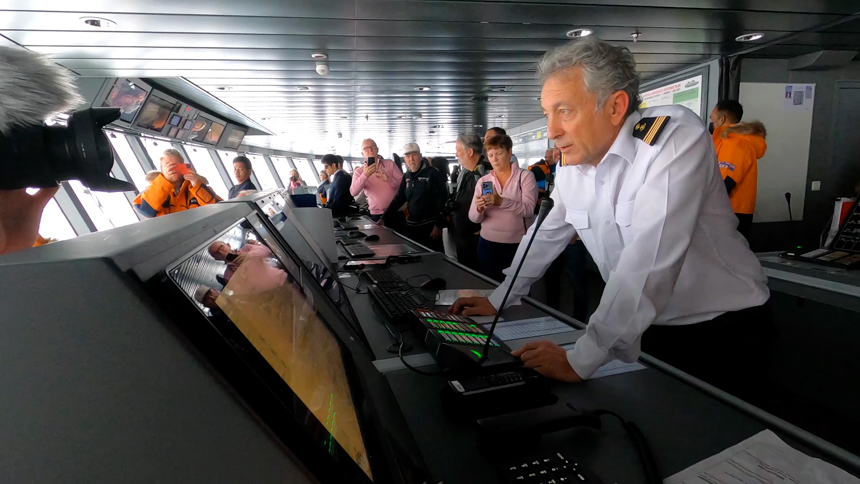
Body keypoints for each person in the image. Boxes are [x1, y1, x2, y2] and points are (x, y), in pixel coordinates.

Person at [449, 38, 770, 401]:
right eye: (547, 113)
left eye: (564, 111)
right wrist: (500, 297)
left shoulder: (672, 140)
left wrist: (581, 359)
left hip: (719, 329)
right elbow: (545, 235)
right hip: (642, 326)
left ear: (616, 106)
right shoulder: (575, 164)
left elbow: (648, 259)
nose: (552, 130)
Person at [469, 134, 538, 282]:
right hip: (488, 244)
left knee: (518, 289)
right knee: (490, 286)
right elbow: (473, 218)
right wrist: (479, 209)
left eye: (499, 153)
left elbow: (528, 209)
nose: (494, 159)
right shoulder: (484, 181)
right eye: (491, 155)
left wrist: (501, 202)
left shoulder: (524, 177)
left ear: (510, 153)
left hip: (517, 244)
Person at [710, 100, 767, 241]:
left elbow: (725, 182)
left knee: (729, 256)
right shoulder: (727, 142)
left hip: (731, 210)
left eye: (712, 119)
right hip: (731, 209)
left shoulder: (735, 143)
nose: (711, 123)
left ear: (722, 119)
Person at [380, 142, 447, 252]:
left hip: (430, 226)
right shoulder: (406, 176)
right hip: (412, 226)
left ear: (420, 156)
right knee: (415, 258)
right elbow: (399, 198)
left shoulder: (433, 174)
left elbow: (441, 200)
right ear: (404, 159)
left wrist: (438, 225)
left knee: (435, 260)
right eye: (407, 156)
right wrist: (384, 217)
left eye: (414, 155)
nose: (411, 159)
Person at [133, 149, 221, 218]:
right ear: (162, 169)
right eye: (168, 165)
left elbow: (218, 209)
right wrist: (164, 181)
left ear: (184, 166)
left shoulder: (198, 185)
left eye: (176, 165)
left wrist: (197, 186)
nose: (172, 169)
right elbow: (145, 210)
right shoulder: (153, 189)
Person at [450, 132, 491, 271]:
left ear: (470, 152)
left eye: (458, 151)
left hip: (476, 237)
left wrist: (485, 228)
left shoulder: (486, 173)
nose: (456, 155)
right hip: (462, 235)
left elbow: (489, 203)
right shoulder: (465, 172)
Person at [350, 138, 403, 222]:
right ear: (362, 153)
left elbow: (403, 185)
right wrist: (365, 175)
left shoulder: (390, 164)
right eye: (366, 149)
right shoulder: (359, 171)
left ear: (377, 149)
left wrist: (389, 179)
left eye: (372, 147)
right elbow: (353, 192)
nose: (370, 150)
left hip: (396, 211)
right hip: (377, 214)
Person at [208, 239, 272, 283]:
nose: (220, 252)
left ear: (228, 245)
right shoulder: (228, 275)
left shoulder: (247, 248)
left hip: (277, 275)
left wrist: (248, 255)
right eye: (216, 253)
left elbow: (267, 251)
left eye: (221, 247)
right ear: (216, 258)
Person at [321, 153, 355, 217]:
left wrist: (326, 211)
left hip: (340, 215)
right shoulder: (338, 177)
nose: (324, 169)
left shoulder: (341, 178)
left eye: (326, 166)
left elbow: (339, 201)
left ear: (333, 165)